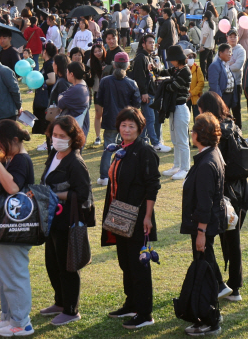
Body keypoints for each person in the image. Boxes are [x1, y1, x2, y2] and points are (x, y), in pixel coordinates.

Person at [101, 107, 161, 330]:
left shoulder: (144, 151)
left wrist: (148, 216)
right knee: (125, 262)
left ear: (140, 128)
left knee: (138, 266)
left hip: (137, 217)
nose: (126, 129)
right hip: (118, 213)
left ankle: (145, 313)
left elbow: (152, 185)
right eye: (123, 125)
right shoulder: (121, 149)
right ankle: (131, 303)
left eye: (131, 126)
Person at [0, 120, 37, 337]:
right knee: (5, 276)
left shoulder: (21, 159)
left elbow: (13, 187)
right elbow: (5, 184)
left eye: (2, 143)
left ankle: (22, 322)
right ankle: (10, 317)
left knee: (14, 275)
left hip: (16, 227)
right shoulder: (12, 159)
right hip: (8, 225)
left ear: (14, 140)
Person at [39, 117, 94, 326]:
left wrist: (55, 194)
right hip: (51, 219)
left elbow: (83, 195)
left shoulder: (76, 163)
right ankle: (60, 302)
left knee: (68, 266)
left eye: (62, 136)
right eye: (55, 135)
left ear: (73, 137)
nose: (57, 139)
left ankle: (71, 310)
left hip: (67, 221)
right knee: (52, 264)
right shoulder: (54, 153)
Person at [196, 92, 248, 302]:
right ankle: (234, 287)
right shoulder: (233, 125)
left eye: (200, 110)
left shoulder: (216, 132)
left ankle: (217, 285)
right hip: (241, 191)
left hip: (226, 193)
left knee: (210, 239)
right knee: (232, 240)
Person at [180, 112, 226, 336]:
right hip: (206, 226)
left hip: (204, 227)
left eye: (193, 130)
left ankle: (210, 319)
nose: (191, 133)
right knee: (207, 269)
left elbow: (205, 203)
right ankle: (207, 314)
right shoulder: (212, 154)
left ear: (198, 135)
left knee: (204, 273)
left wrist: (200, 232)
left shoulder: (207, 163)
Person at [97, 52, 141, 185]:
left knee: (108, 148)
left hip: (110, 119)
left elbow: (100, 100)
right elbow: (137, 104)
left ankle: (104, 176)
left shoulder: (105, 81)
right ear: (128, 66)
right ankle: (122, 173)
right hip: (126, 121)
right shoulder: (131, 83)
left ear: (114, 64)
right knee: (126, 148)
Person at [154, 45, 192, 180]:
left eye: (172, 59)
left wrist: (162, 83)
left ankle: (185, 168)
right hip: (174, 109)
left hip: (181, 108)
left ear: (177, 59)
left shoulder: (185, 71)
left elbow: (172, 87)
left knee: (182, 140)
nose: (170, 62)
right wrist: (155, 69)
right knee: (175, 140)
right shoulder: (177, 69)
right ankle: (177, 166)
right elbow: (164, 72)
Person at [129, 34, 167, 151]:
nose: (152, 44)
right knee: (150, 119)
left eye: (153, 42)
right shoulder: (141, 57)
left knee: (147, 119)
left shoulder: (148, 56)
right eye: (150, 42)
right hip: (147, 93)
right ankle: (156, 143)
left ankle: (142, 141)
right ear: (143, 44)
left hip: (151, 92)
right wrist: (144, 92)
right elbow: (140, 77)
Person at [58, 61, 91, 139]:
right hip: (79, 126)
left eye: (67, 72)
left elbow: (60, 103)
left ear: (71, 74)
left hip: (75, 128)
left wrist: (61, 96)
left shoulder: (76, 89)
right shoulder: (81, 86)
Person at [225, 29, 245, 129]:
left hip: (236, 83)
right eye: (230, 36)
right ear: (227, 37)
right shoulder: (223, 48)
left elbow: (237, 66)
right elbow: (216, 64)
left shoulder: (241, 50)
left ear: (238, 38)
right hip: (224, 84)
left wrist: (225, 65)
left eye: (235, 36)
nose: (233, 38)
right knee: (224, 109)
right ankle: (226, 131)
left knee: (236, 109)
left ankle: (238, 132)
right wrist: (229, 65)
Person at [87, 42, 106, 145]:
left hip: (108, 91)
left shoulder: (107, 60)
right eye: (95, 52)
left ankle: (109, 136)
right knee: (98, 114)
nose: (98, 53)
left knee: (109, 113)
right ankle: (98, 136)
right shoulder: (91, 62)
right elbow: (89, 78)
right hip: (97, 90)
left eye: (100, 50)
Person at [185, 48, 204, 118]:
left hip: (196, 98)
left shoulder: (197, 68)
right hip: (185, 98)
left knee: (198, 119)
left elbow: (201, 83)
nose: (191, 59)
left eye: (193, 57)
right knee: (185, 119)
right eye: (189, 57)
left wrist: (192, 93)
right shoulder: (180, 69)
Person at [199, 11, 216, 77]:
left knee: (202, 62)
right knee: (209, 62)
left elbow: (205, 35)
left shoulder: (206, 23)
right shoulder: (213, 23)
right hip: (211, 45)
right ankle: (209, 76)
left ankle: (203, 75)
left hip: (205, 46)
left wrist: (202, 45)